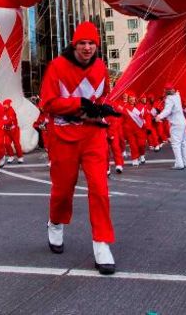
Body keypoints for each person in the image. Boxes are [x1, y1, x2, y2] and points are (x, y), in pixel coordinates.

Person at [40, 21, 119, 275]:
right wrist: (80, 104)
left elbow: (104, 94)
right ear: (74, 45)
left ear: (97, 46)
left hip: (93, 135)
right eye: (82, 43)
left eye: (92, 43)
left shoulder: (100, 67)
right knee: (63, 190)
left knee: (100, 189)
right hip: (63, 136)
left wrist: (103, 107)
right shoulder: (57, 66)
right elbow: (48, 102)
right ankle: (55, 222)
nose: (87, 48)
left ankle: (102, 243)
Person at [155, 83, 186, 170]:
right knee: (183, 143)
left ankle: (179, 164)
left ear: (166, 91)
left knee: (176, 144)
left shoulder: (169, 99)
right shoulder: (177, 96)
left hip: (176, 123)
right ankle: (185, 162)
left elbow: (167, 110)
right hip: (183, 122)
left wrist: (159, 116)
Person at [122, 92, 148, 167]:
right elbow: (122, 118)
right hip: (129, 130)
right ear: (128, 99)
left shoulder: (141, 106)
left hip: (140, 129)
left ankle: (142, 155)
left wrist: (147, 125)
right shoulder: (125, 107)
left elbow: (146, 116)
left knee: (141, 144)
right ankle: (135, 159)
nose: (132, 100)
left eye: (133, 98)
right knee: (133, 145)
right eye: (130, 98)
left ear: (135, 99)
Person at [2, 99, 24, 163]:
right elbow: (0, 118)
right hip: (6, 130)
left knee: (16, 144)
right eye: (4, 104)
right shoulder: (2, 111)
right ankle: (11, 156)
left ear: (9, 105)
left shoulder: (11, 111)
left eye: (6, 104)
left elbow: (9, 120)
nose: (5, 106)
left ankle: (20, 157)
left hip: (14, 130)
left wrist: (2, 122)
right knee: (6, 143)